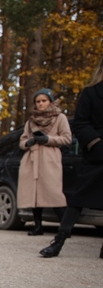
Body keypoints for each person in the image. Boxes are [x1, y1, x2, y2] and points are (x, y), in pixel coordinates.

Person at [40, 57, 103, 258]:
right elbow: (81, 123)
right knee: (78, 199)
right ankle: (59, 241)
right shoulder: (91, 93)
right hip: (96, 154)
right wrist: (96, 143)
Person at [17, 88, 71, 236]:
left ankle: (65, 228)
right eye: (38, 101)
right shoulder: (31, 121)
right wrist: (28, 142)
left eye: (44, 101)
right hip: (31, 159)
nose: (40, 104)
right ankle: (38, 226)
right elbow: (22, 141)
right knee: (34, 193)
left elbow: (67, 138)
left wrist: (48, 139)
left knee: (54, 192)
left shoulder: (60, 118)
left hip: (50, 158)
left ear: (50, 101)